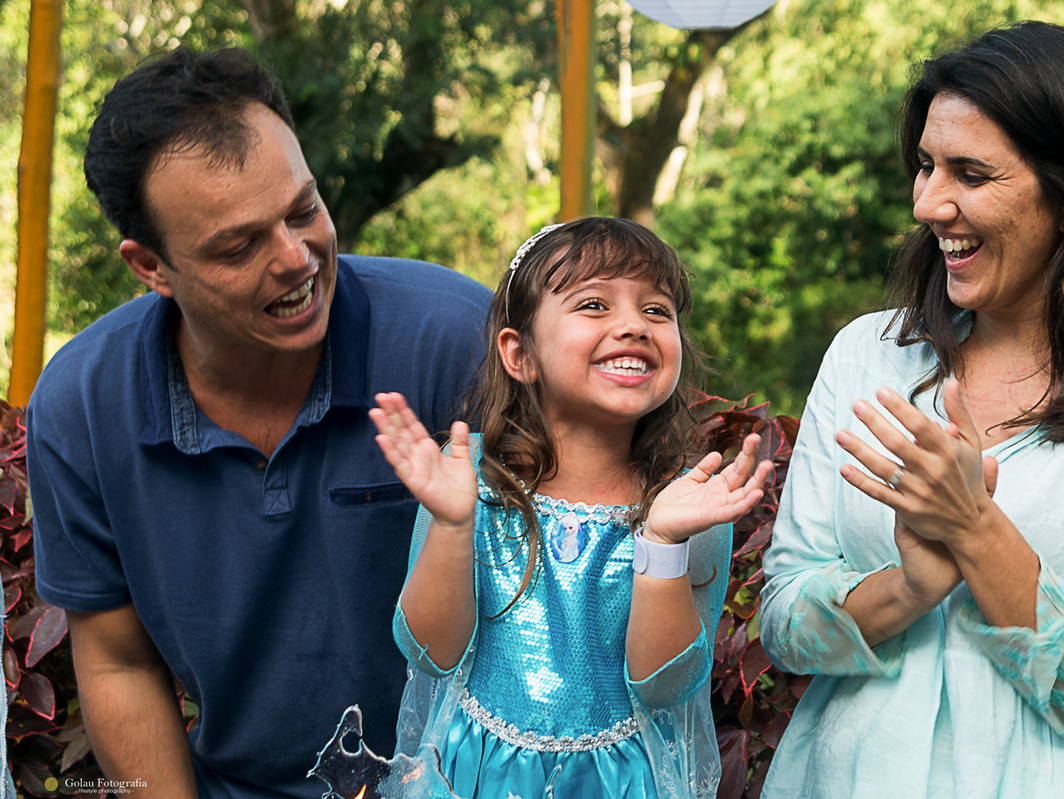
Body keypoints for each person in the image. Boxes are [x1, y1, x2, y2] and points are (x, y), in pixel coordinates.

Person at [26, 47, 491, 799]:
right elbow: (119, 662)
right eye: (238, 246)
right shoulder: (80, 405)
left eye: (304, 209)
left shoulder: (456, 339)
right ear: (151, 267)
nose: (295, 257)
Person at [758, 21, 1064, 798]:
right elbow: (786, 623)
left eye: (970, 173)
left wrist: (973, 527)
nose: (929, 203)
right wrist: (908, 587)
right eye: (925, 166)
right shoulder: (869, 355)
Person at [319, 217, 773, 799]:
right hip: (475, 780)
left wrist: (661, 543)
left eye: (657, 311)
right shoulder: (469, 480)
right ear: (520, 353)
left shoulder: (685, 504)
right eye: (593, 305)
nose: (634, 325)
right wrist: (455, 524)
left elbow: (666, 686)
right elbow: (431, 652)